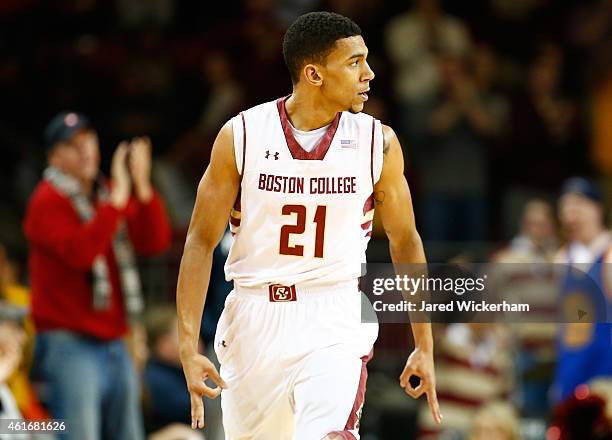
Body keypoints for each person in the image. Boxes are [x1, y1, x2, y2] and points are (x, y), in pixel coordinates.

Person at [177, 11, 441, 439]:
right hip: (253, 317)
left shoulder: (379, 142)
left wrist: (424, 346)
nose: (369, 74)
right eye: (354, 62)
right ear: (314, 73)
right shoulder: (241, 135)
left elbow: (405, 242)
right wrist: (188, 346)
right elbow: (199, 242)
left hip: (334, 314)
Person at [23, 111, 172, 440]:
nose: (86, 149)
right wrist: (118, 201)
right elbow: (80, 253)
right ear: (54, 157)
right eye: (73, 145)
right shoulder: (46, 200)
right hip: (70, 342)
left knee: (128, 434)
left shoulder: (105, 195)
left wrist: (143, 187)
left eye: (88, 140)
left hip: (115, 340)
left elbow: (154, 242)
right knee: (80, 435)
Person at [553, 177, 612, 402]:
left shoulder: (608, 253)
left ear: (596, 208)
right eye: (566, 205)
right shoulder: (562, 258)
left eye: (578, 204)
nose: (571, 211)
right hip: (570, 368)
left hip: (604, 370)